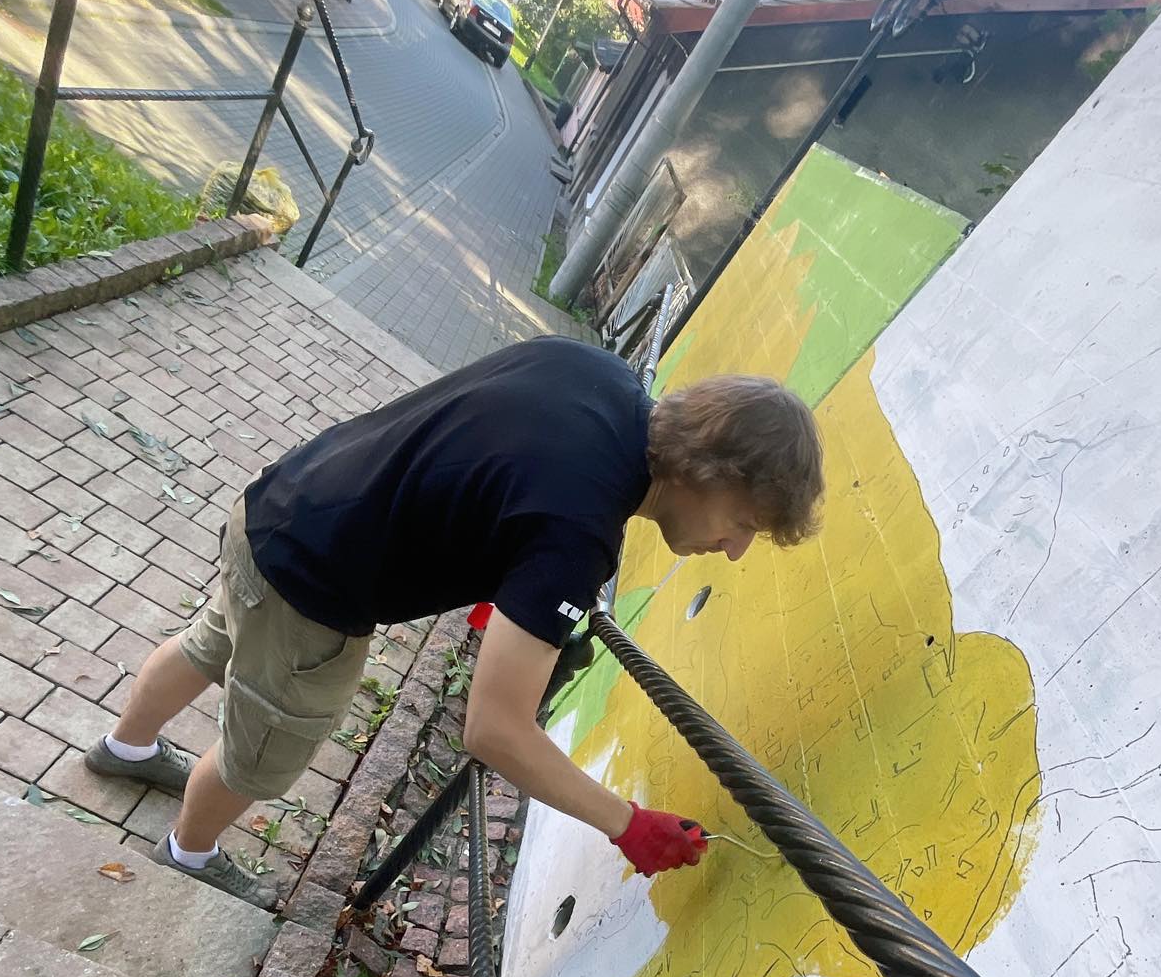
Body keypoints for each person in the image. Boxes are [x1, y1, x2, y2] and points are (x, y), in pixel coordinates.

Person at [85, 336, 824, 907]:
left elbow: (489, 467)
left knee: (208, 644)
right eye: (743, 523)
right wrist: (628, 824)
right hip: (311, 587)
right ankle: (188, 853)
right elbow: (494, 731)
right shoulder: (577, 537)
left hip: (281, 502)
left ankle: (127, 747)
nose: (734, 549)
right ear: (709, 473)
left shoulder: (597, 373)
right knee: (262, 751)